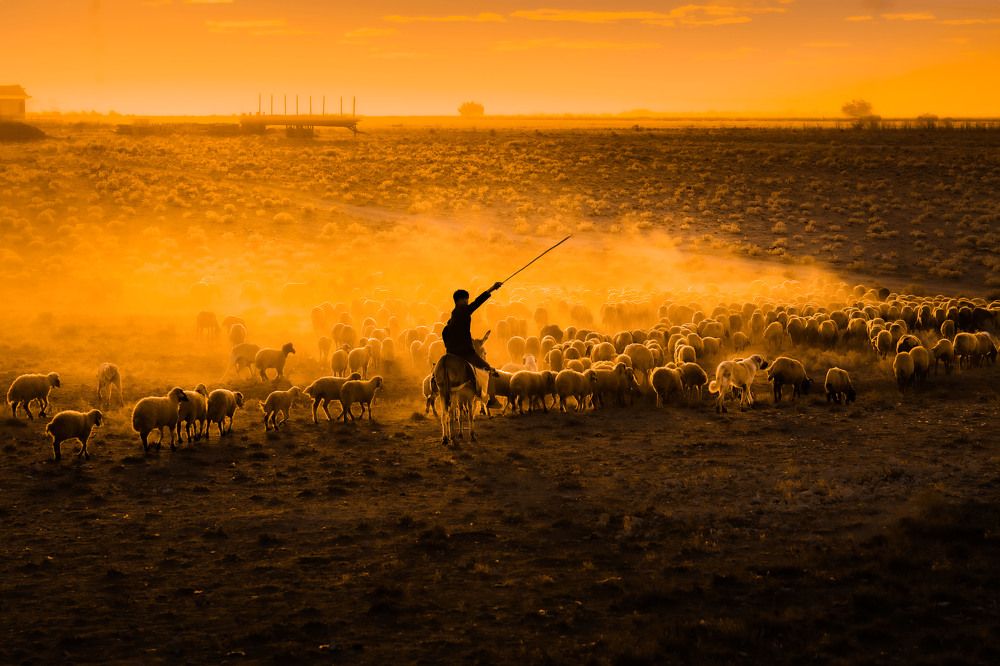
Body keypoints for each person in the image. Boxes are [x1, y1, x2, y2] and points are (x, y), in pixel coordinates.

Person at [442, 281, 502, 374]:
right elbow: (477, 302)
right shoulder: (463, 310)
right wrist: (492, 288)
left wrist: (448, 347)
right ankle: (490, 373)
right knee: (486, 368)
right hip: (464, 351)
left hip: (451, 351)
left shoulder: (454, 314)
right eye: (465, 299)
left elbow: (444, 332)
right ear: (459, 300)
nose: (467, 301)